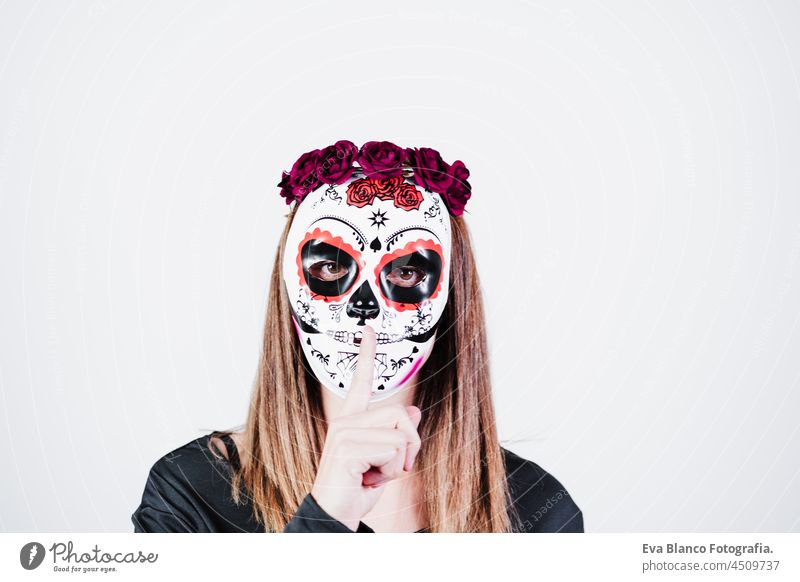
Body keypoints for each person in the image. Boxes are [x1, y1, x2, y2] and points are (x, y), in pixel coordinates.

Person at [131, 140, 584, 533]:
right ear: (288, 288)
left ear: (449, 294)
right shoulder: (191, 495)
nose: (365, 306)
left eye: (406, 271)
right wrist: (326, 516)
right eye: (330, 268)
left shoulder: (536, 512)